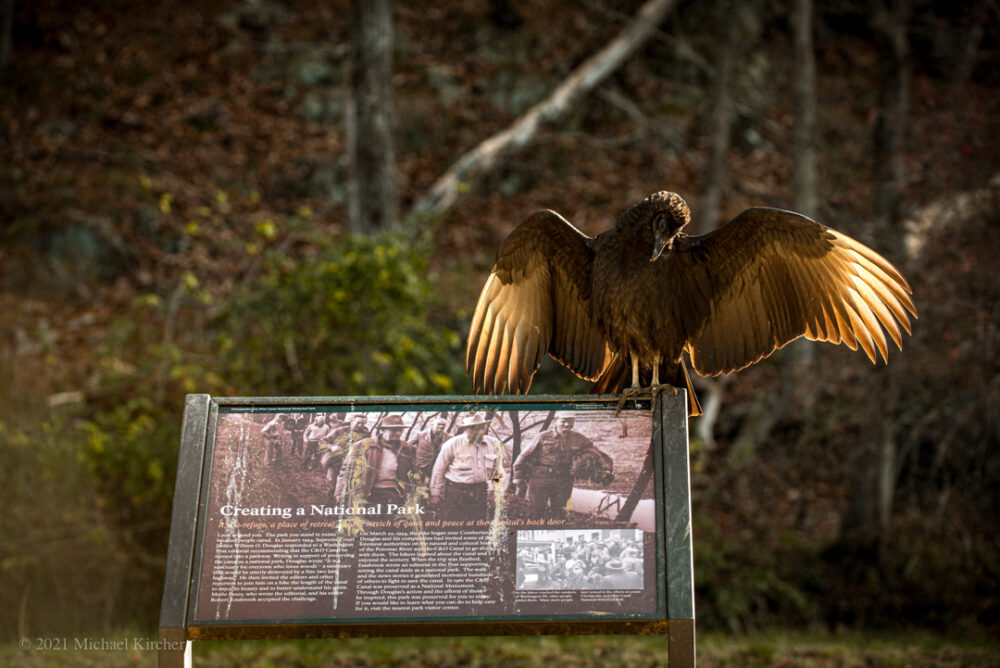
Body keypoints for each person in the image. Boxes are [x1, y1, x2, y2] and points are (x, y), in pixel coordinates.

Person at [512, 412, 605, 519]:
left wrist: (583, 468)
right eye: (563, 421)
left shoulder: (580, 439)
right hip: (540, 477)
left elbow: (594, 454)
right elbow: (524, 455)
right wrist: (517, 476)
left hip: (564, 479)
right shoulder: (543, 436)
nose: (566, 424)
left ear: (574, 422)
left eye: (570, 421)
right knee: (535, 510)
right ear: (557, 420)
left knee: (560, 511)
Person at [430, 413, 509, 521]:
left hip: (481, 491)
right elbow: (439, 469)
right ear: (465, 429)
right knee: (455, 523)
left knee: (479, 523)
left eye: (480, 427)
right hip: (456, 491)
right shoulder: (452, 444)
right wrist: (435, 494)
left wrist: (496, 491)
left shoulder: (494, 444)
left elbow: (498, 471)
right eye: (472, 428)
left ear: (485, 427)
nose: (476, 431)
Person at [334, 414, 416, 507]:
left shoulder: (408, 448)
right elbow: (347, 470)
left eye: (400, 430)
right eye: (394, 430)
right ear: (383, 430)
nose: (398, 433)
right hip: (369, 492)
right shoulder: (362, 446)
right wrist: (340, 493)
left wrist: (413, 496)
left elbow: (414, 474)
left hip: (397, 493)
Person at [320, 414, 370, 486]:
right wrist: (331, 447)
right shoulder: (341, 430)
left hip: (352, 464)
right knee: (331, 481)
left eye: (363, 423)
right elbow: (322, 441)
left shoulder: (366, 435)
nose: (360, 425)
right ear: (352, 421)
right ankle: (330, 495)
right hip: (336, 461)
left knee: (345, 484)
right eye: (358, 422)